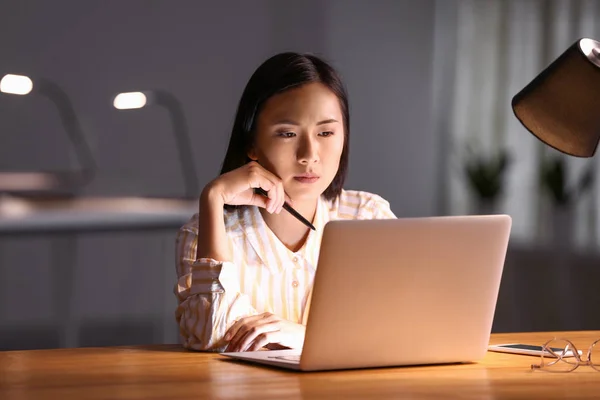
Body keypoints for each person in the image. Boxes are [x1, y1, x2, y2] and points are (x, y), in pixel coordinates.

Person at [174, 52, 396, 352]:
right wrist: (213, 197)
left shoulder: (368, 216)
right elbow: (211, 335)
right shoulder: (205, 233)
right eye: (288, 133)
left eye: (326, 132)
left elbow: (401, 329)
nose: (309, 153)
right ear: (251, 143)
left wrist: (302, 337)